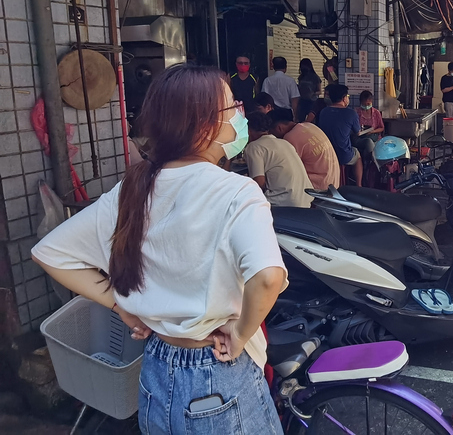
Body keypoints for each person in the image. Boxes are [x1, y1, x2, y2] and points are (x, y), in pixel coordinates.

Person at [31, 64, 287, 434]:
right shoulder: (236, 191)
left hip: (155, 372)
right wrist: (242, 332)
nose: (240, 116)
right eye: (233, 108)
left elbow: (49, 252)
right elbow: (267, 277)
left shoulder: (132, 189)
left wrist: (122, 307)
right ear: (204, 127)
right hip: (216, 375)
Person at [243, 112, 314, 208]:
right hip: (306, 199)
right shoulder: (284, 143)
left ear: (248, 131)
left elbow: (259, 184)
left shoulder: (254, 147)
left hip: (284, 202)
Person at [269, 111, 340, 191]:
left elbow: (287, 169)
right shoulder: (310, 126)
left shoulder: (290, 138)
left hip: (318, 188)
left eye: (271, 132)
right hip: (334, 182)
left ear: (279, 128)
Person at [319, 84, 363, 187]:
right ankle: (359, 186)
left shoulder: (323, 112)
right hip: (343, 155)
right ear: (344, 98)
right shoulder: (351, 113)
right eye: (347, 96)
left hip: (327, 154)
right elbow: (357, 132)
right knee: (358, 155)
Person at [355, 90, 384, 157]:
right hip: (361, 138)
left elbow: (381, 127)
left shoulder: (376, 112)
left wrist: (372, 131)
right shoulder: (356, 112)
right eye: (364, 104)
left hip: (374, 137)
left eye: (368, 104)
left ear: (372, 102)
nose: (366, 106)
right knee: (368, 142)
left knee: (372, 144)